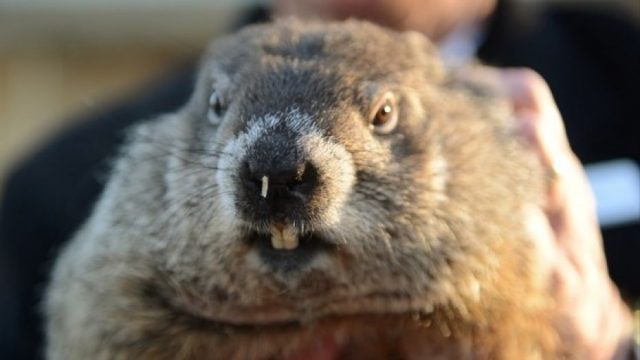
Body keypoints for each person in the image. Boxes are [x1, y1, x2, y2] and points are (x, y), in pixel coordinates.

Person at [1, 0, 637, 358]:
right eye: (221, 109)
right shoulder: (53, 192)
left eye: (382, 117)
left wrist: (608, 345)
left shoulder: (622, 74)